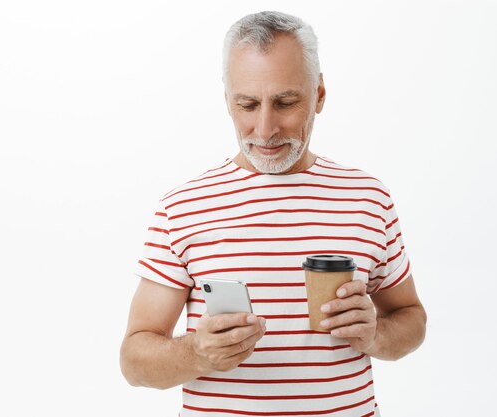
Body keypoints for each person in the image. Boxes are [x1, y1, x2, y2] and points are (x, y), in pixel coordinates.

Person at [120, 11, 427, 417]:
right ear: (228, 101)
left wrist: (376, 335)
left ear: (318, 94)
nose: (265, 129)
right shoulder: (183, 206)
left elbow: (411, 319)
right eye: (247, 104)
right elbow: (134, 361)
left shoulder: (367, 198)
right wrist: (193, 352)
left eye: (285, 102)